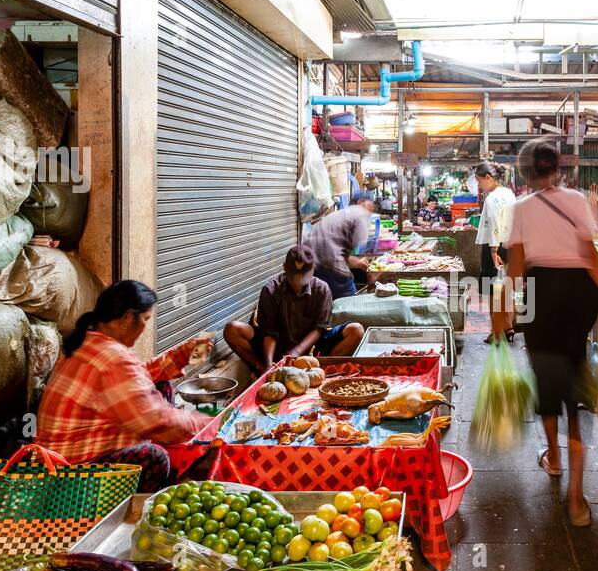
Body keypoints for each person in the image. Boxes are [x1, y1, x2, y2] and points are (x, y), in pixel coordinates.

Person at [500, 138, 598, 527]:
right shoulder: (577, 201)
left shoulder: (520, 207)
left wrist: (503, 310)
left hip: (540, 294)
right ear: (558, 168)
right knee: (575, 381)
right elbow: (591, 258)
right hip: (580, 295)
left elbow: (517, 269)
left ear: (525, 173)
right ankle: (576, 500)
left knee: (546, 378)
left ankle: (554, 458)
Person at [37, 280, 211, 491]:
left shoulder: (87, 340)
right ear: (128, 318)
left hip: (56, 461)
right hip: (71, 476)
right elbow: (155, 420)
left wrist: (179, 357)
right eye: (145, 319)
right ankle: (126, 512)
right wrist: (208, 425)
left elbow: (136, 378)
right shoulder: (113, 358)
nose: (145, 327)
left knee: (160, 386)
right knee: (155, 458)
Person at [224, 245, 364, 376]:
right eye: (293, 276)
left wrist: (297, 351)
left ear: (313, 269)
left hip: (312, 348)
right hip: (276, 347)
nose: (298, 281)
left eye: (303, 276)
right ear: (284, 268)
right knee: (232, 330)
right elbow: (269, 332)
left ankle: (319, 372)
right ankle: (264, 372)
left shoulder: (321, 289)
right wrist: (268, 364)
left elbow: (319, 328)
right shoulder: (271, 290)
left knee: (356, 330)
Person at [303, 192, 376, 300]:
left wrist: (354, 260)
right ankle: (345, 316)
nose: (372, 209)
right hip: (327, 259)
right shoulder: (361, 213)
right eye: (370, 205)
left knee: (322, 295)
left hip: (309, 258)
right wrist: (360, 263)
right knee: (347, 295)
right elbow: (359, 243)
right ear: (361, 202)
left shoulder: (344, 212)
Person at [475, 161, 517, 344]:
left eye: (479, 181)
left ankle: (497, 331)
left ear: (488, 178)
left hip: (495, 247)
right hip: (510, 245)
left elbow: (494, 224)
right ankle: (508, 327)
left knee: (494, 291)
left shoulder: (492, 198)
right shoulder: (509, 193)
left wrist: (493, 251)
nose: (479, 185)